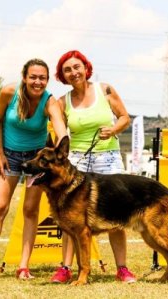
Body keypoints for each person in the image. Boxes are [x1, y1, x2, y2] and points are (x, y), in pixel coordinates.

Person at [0, 58, 67, 281]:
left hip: (37, 160)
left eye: (43, 78)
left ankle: (23, 267)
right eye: (33, 77)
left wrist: (61, 146)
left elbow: (59, 127)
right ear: (25, 77)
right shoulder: (9, 93)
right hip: (9, 156)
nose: (38, 82)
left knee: (30, 210)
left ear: (47, 80)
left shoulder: (50, 102)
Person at [50, 50, 135, 284]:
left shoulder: (104, 90)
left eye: (77, 67)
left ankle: (122, 269)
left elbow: (125, 117)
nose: (73, 72)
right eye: (67, 70)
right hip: (76, 161)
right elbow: (60, 135)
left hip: (108, 158)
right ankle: (65, 268)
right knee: (70, 218)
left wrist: (114, 130)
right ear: (62, 76)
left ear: (86, 67)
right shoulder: (62, 101)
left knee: (117, 216)